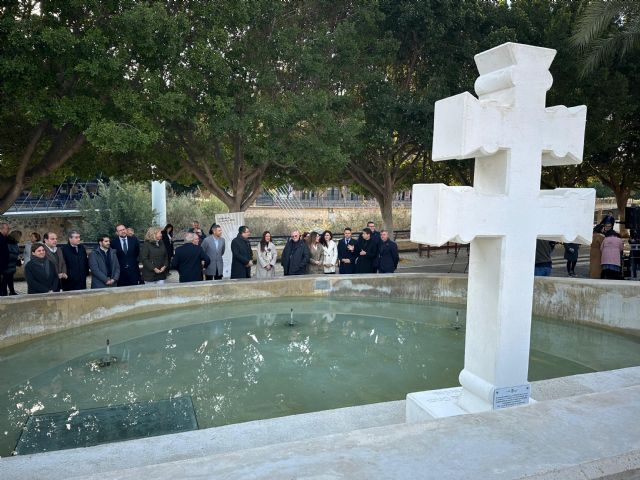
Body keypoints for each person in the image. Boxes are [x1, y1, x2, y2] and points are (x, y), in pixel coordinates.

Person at [2, 231, 21, 295]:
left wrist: (18, 259)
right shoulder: (6, 243)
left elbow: (17, 253)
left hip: (12, 265)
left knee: (10, 279)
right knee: (4, 280)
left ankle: (12, 291)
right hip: (7, 265)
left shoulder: (15, 243)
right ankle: (4, 293)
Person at [0, 223, 10, 295]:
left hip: (3, 264)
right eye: (7, 229)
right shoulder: (1, 238)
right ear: (3, 229)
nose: (8, 230)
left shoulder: (3, 237)